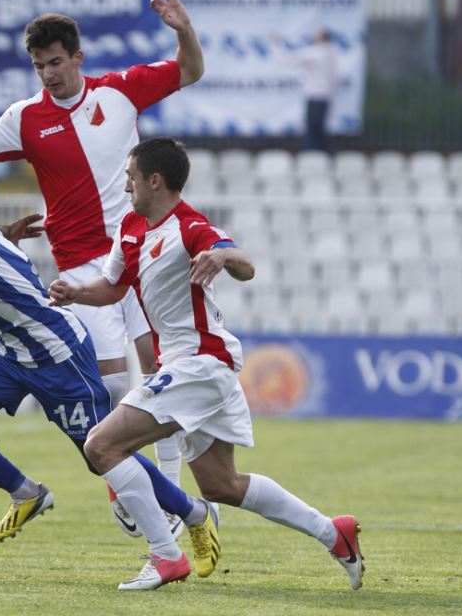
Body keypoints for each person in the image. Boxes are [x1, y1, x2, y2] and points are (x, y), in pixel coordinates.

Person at [49, 138, 365, 591]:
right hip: (194, 368)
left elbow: (245, 264)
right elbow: (113, 286)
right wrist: (76, 293)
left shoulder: (190, 226)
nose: (125, 186)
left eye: (130, 177)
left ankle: (165, 556)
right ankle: (334, 533)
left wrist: (221, 256)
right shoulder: (131, 228)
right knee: (221, 485)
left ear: (154, 181)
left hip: (200, 363)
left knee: (100, 445)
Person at [0, 0, 203, 538]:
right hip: (81, 270)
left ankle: (170, 499)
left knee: (163, 379)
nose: (49, 74)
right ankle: (126, 487)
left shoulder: (119, 92)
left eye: (57, 62)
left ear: (78, 58)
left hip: (142, 257)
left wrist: (183, 29)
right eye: (40, 65)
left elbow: (190, 71)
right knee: (111, 391)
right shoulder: (26, 117)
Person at [0, 190, 217, 571]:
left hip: (55, 353)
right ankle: (26, 494)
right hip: (9, 351)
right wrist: (5, 236)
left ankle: (194, 512)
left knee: (103, 455)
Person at [278, 29, 338, 152]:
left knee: (312, 129)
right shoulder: (332, 53)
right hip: (325, 96)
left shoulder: (315, 52)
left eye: (318, 34)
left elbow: (289, 59)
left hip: (315, 95)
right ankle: (322, 154)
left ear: (322, 37)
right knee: (319, 128)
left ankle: (311, 154)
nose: (314, 36)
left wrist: (276, 44)